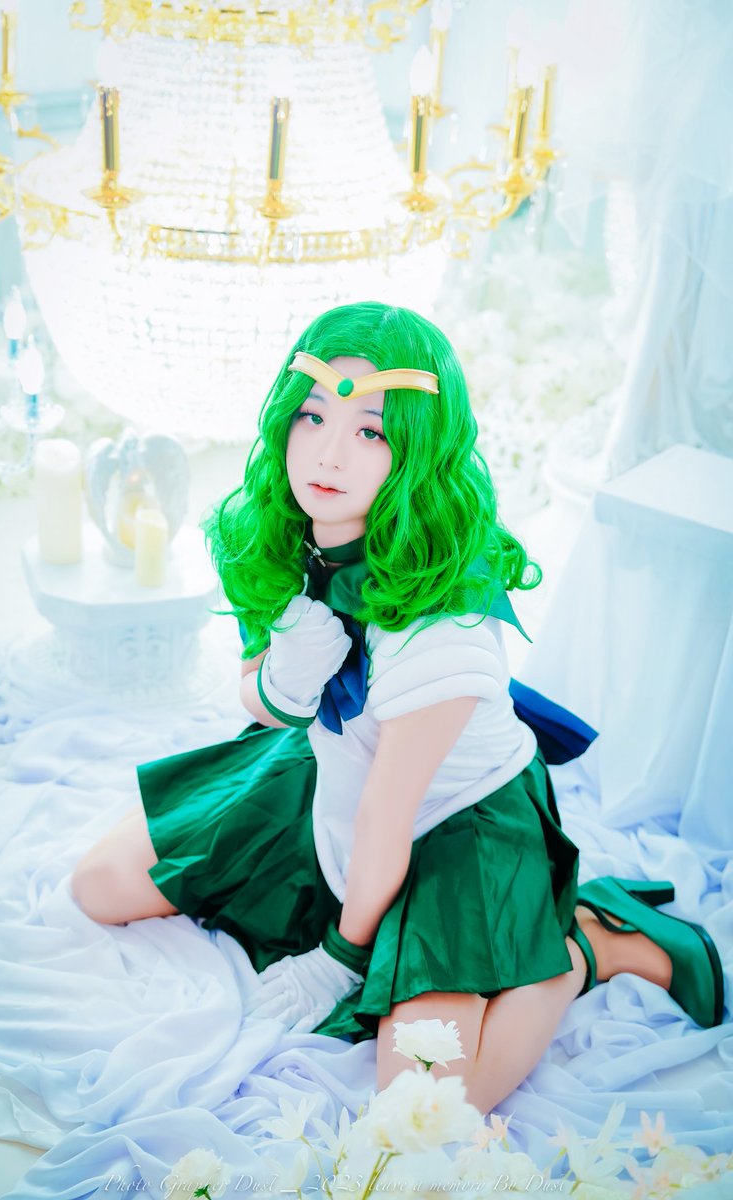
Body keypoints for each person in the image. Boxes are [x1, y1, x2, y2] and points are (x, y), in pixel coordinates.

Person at [71, 302, 724, 1114]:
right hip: (335, 768)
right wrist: (283, 683)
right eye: (313, 416)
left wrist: (338, 958)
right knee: (100, 884)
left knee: (424, 1100)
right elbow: (256, 696)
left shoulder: (442, 626)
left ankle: (590, 943)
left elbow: (388, 812)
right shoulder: (281, 530)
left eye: (371, 432)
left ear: (416, 450)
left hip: (456, 822)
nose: (328, 453)